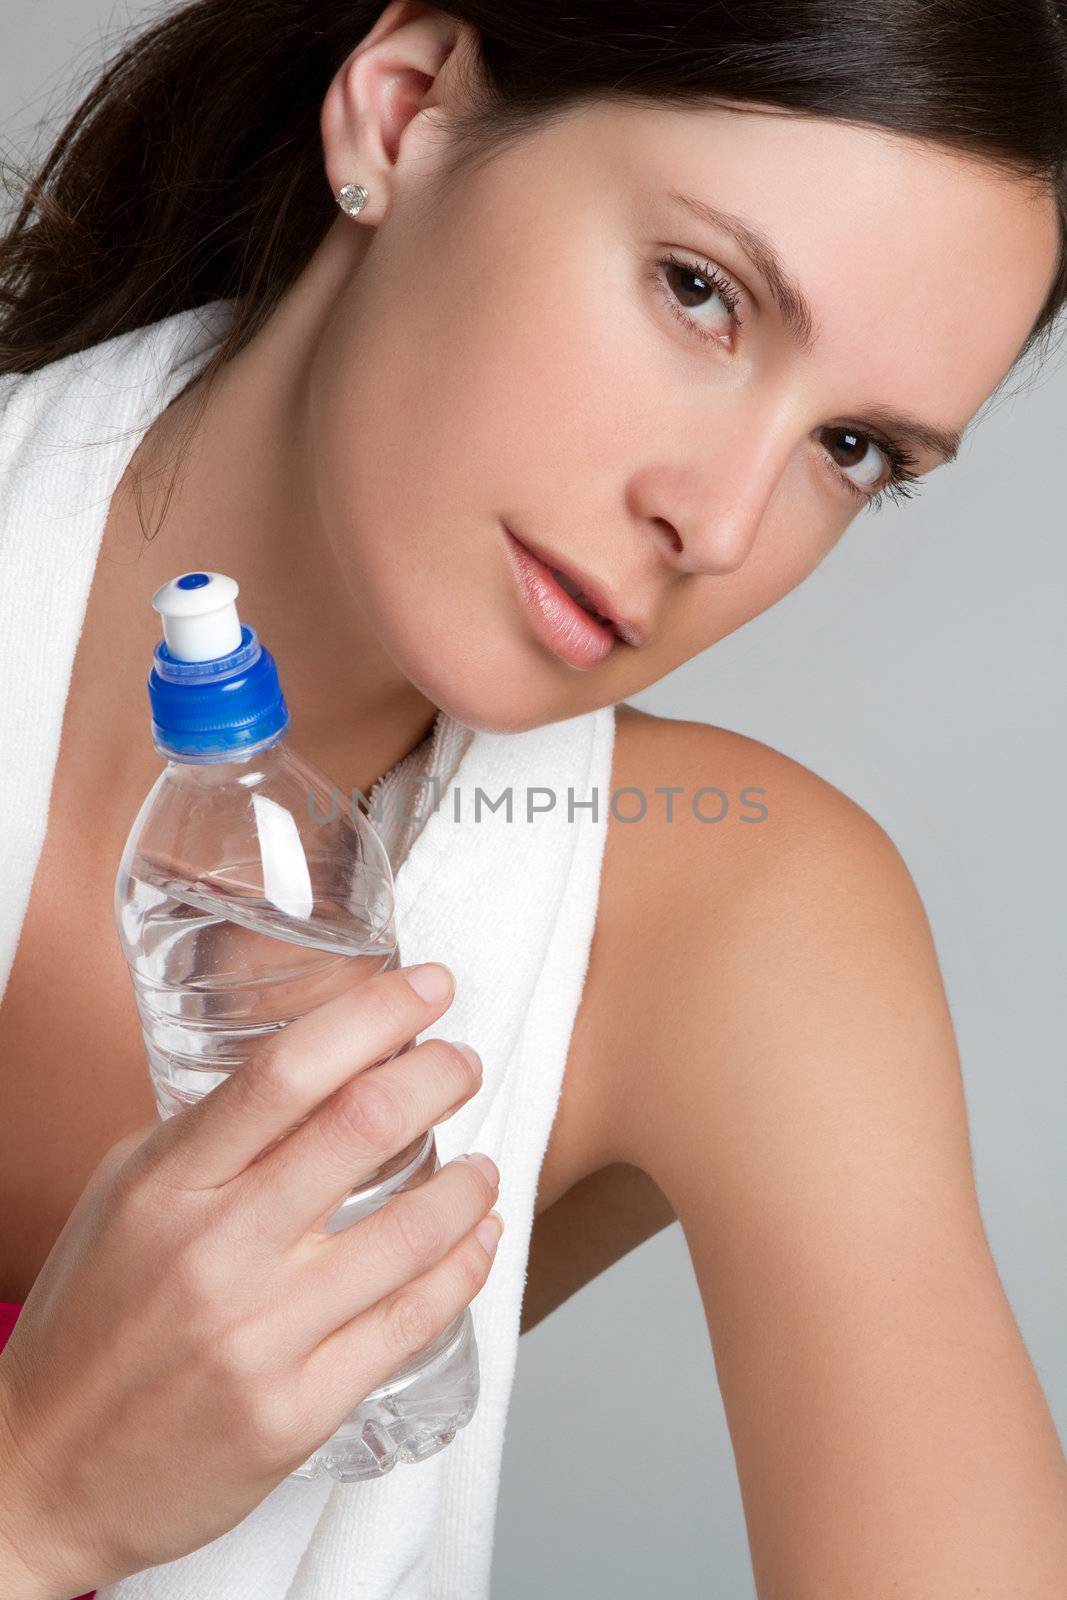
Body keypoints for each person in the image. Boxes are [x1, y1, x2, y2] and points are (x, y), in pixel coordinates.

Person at [0, 0, 1065, 1595]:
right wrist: (37, 1499)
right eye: (700, 293)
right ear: (406, 109)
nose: (715, 524)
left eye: (850, 447)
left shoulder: (727, 922)